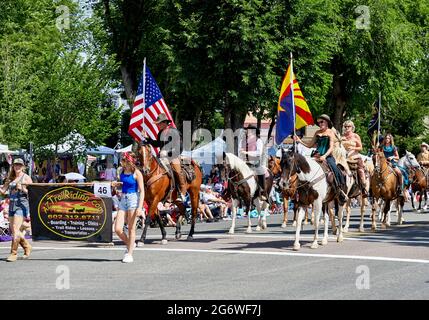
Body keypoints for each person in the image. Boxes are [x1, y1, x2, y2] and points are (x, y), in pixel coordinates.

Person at [294, 114, 347, 201]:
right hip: (316, 155)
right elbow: (310, 145)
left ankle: (340, 190)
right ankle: (300, 190)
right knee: (305, 168)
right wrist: (300, 141)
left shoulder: (330, 132)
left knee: (335, 169)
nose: (320, 124)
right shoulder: (317, 132)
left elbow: (331, 147)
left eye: (321, 122)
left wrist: (325, 156)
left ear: (326, 122)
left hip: (328, 156)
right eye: (318, 122)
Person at [143, 113, 186, 202]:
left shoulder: (174, 132)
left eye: (159, 123)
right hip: (162, 156)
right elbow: (158, 144)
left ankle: (182, 192)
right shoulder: (160, 133)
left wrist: (168, 152)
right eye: (157, 124)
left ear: (164, 123)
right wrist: (148, 139)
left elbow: (180, 147)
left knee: (176, 169)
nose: (158, 125)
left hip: (174, 155)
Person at [0, 158, 33, 262]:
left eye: (19, 165)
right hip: (11, 205)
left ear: (23, 166)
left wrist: (22, 188)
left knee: (15, 228)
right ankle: (27, 246)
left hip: (21, 205)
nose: (17, 167)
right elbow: (3, 191)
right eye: (15, 165)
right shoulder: (10, 178)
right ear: (13, 166)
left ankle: (13, 253)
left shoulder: (26, 178)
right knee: (14, 231)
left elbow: (32, 193)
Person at [114, 152, 144, 263]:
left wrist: (140, 207)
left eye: (123, 160)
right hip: (123, 199)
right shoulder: (121, 171)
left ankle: (129, 253)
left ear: (128, 161)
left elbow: (142, 191)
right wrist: (117, 184)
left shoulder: (137, 173)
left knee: (131, 228)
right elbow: (123, 184)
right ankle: (130, 244)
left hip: (133, 199)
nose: (121, 162)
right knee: (117, 229)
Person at [239, 126, 267, 200]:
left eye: (248, 131)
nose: (246, 132)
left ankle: (263, 192)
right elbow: (240, 152)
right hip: (244, 163)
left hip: (254, 163)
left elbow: (258, 153)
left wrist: (247, 152)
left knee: (261, 172)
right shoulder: (244, 141)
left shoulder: (258, 141)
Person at [341, 120, 368, 197]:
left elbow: (360, 147)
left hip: (354, 157)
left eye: (348, 126)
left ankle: (363, 187)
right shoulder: (342, 137)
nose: (347, 128)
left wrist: (353, 147)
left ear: (352, 127)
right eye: (345, 126)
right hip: (344, 158)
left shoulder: (356, 136)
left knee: (360, 170)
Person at [380, 133, 408, 200]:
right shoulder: (381, 146)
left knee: (399, 173)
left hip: (392, 163)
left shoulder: (393, 147)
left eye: (388, 138)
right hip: (383, 164)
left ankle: (401, 189)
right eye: (386, 138)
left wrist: (392, 157)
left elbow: (397, 157)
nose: (387, 139)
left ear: (390, 139)